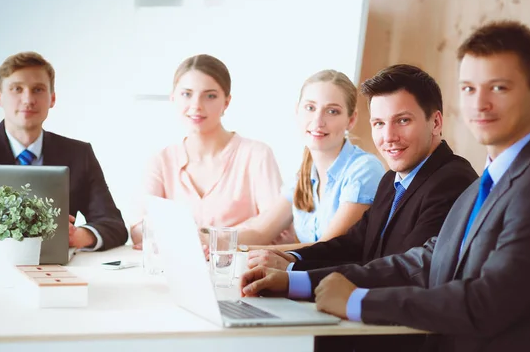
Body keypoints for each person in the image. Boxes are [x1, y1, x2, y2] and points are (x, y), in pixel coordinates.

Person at [241, 20, 530, 352]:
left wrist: (359, 301)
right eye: (469, 88)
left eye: (498, 88)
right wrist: (294, 280)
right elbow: (422, 262)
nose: (479, 103)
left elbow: (487, 300)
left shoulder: (516, 182)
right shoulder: (483, 185)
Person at [248, 64, 477, 271]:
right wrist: (290, 259)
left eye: (403, 120)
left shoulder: (451, 181)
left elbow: (403, 269)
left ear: (435, 123)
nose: (388, 137)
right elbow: (353, 245)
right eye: (379, 123)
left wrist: (293, 276)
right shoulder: (392, 181)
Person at [0, 51, 128, 251]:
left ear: (52, 99)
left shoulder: (79, 154)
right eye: (17, 89)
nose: (28, 99)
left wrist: (79, 236)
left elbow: (114, 225)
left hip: (57, 268)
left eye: (38, 89)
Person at [131, 54, 293, 249]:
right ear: (173, 98)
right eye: (187, 94)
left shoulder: (256, 155)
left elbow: (279, 231)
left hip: (239, 272)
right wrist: (192, 239)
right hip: (174, 271)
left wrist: (212, 240)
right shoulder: (161, 160)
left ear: (226, 102)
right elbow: (140, 230)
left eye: (210, 96)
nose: (196, 106)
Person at [235, 69, 385, 251]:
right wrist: (205, 240)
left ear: (351, 120)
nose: (318, 120)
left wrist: (241, 251)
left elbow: (325, 249)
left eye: (332, 111)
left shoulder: (364, 169)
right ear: (297, 111)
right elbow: (260, 233)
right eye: (310, 108)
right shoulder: (303, 175)